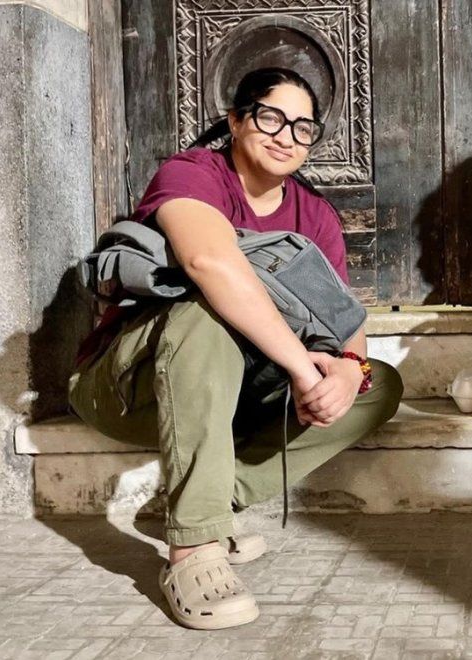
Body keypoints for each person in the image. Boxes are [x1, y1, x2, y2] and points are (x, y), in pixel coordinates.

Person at [68, 68, 403, 629]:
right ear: (236, 119)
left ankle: (212, 494)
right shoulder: (194, 173)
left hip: (235, 395)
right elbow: (208, 263)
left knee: (379, 385)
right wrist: (301, 367)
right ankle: (194, 548)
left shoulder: (313, 213)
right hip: (130, 387)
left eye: (302, 127)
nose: (285, 136)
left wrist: (347, 369)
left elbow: (343, 318)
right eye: (270, 117)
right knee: (205, 314)